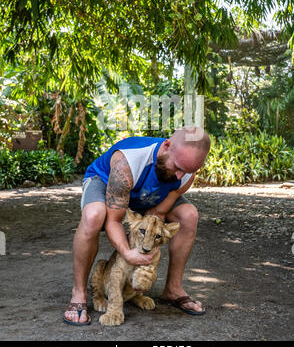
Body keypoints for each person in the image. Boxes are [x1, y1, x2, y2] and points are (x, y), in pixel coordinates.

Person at [63, 126, 211, 325]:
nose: (179, 176)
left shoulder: (185, 173)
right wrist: (127, 252)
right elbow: (114, 220)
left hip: (145, 197)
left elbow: (155, 215)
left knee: (189, 215)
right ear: (166, 146)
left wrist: (145, 262)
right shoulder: (127, 161)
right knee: (93, 216)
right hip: (107, 184)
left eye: (187, 171)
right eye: (177, 167)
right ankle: (79, 292)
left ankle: (173, 289)